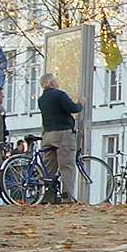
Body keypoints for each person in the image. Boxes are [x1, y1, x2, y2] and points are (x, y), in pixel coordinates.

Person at [37, 73, 83, 202]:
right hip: (63, 133)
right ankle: (67, 197)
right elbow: (73, 108)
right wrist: (80, 103)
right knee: (67, 165)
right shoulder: (59, 95)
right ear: (52, 83)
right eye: (55, 81)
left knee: (49, 167)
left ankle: (46, 198)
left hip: (48, 134)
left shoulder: (41, 99)